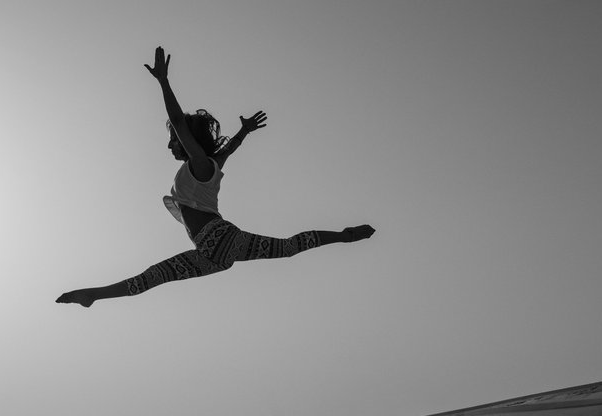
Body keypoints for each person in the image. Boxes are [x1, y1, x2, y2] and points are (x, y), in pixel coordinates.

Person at [57, 47, 374, 307]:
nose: (171, 146)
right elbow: (229, 150)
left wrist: (164, 83)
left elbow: (180, 125)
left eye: (173, 142)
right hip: (217, 254)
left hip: (217, 240)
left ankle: (94, 295)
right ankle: (93, 295)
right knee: (286, 249)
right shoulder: (209, 164)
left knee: (154, 277)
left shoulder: (199, 164)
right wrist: (244, 132)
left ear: (185, 143)